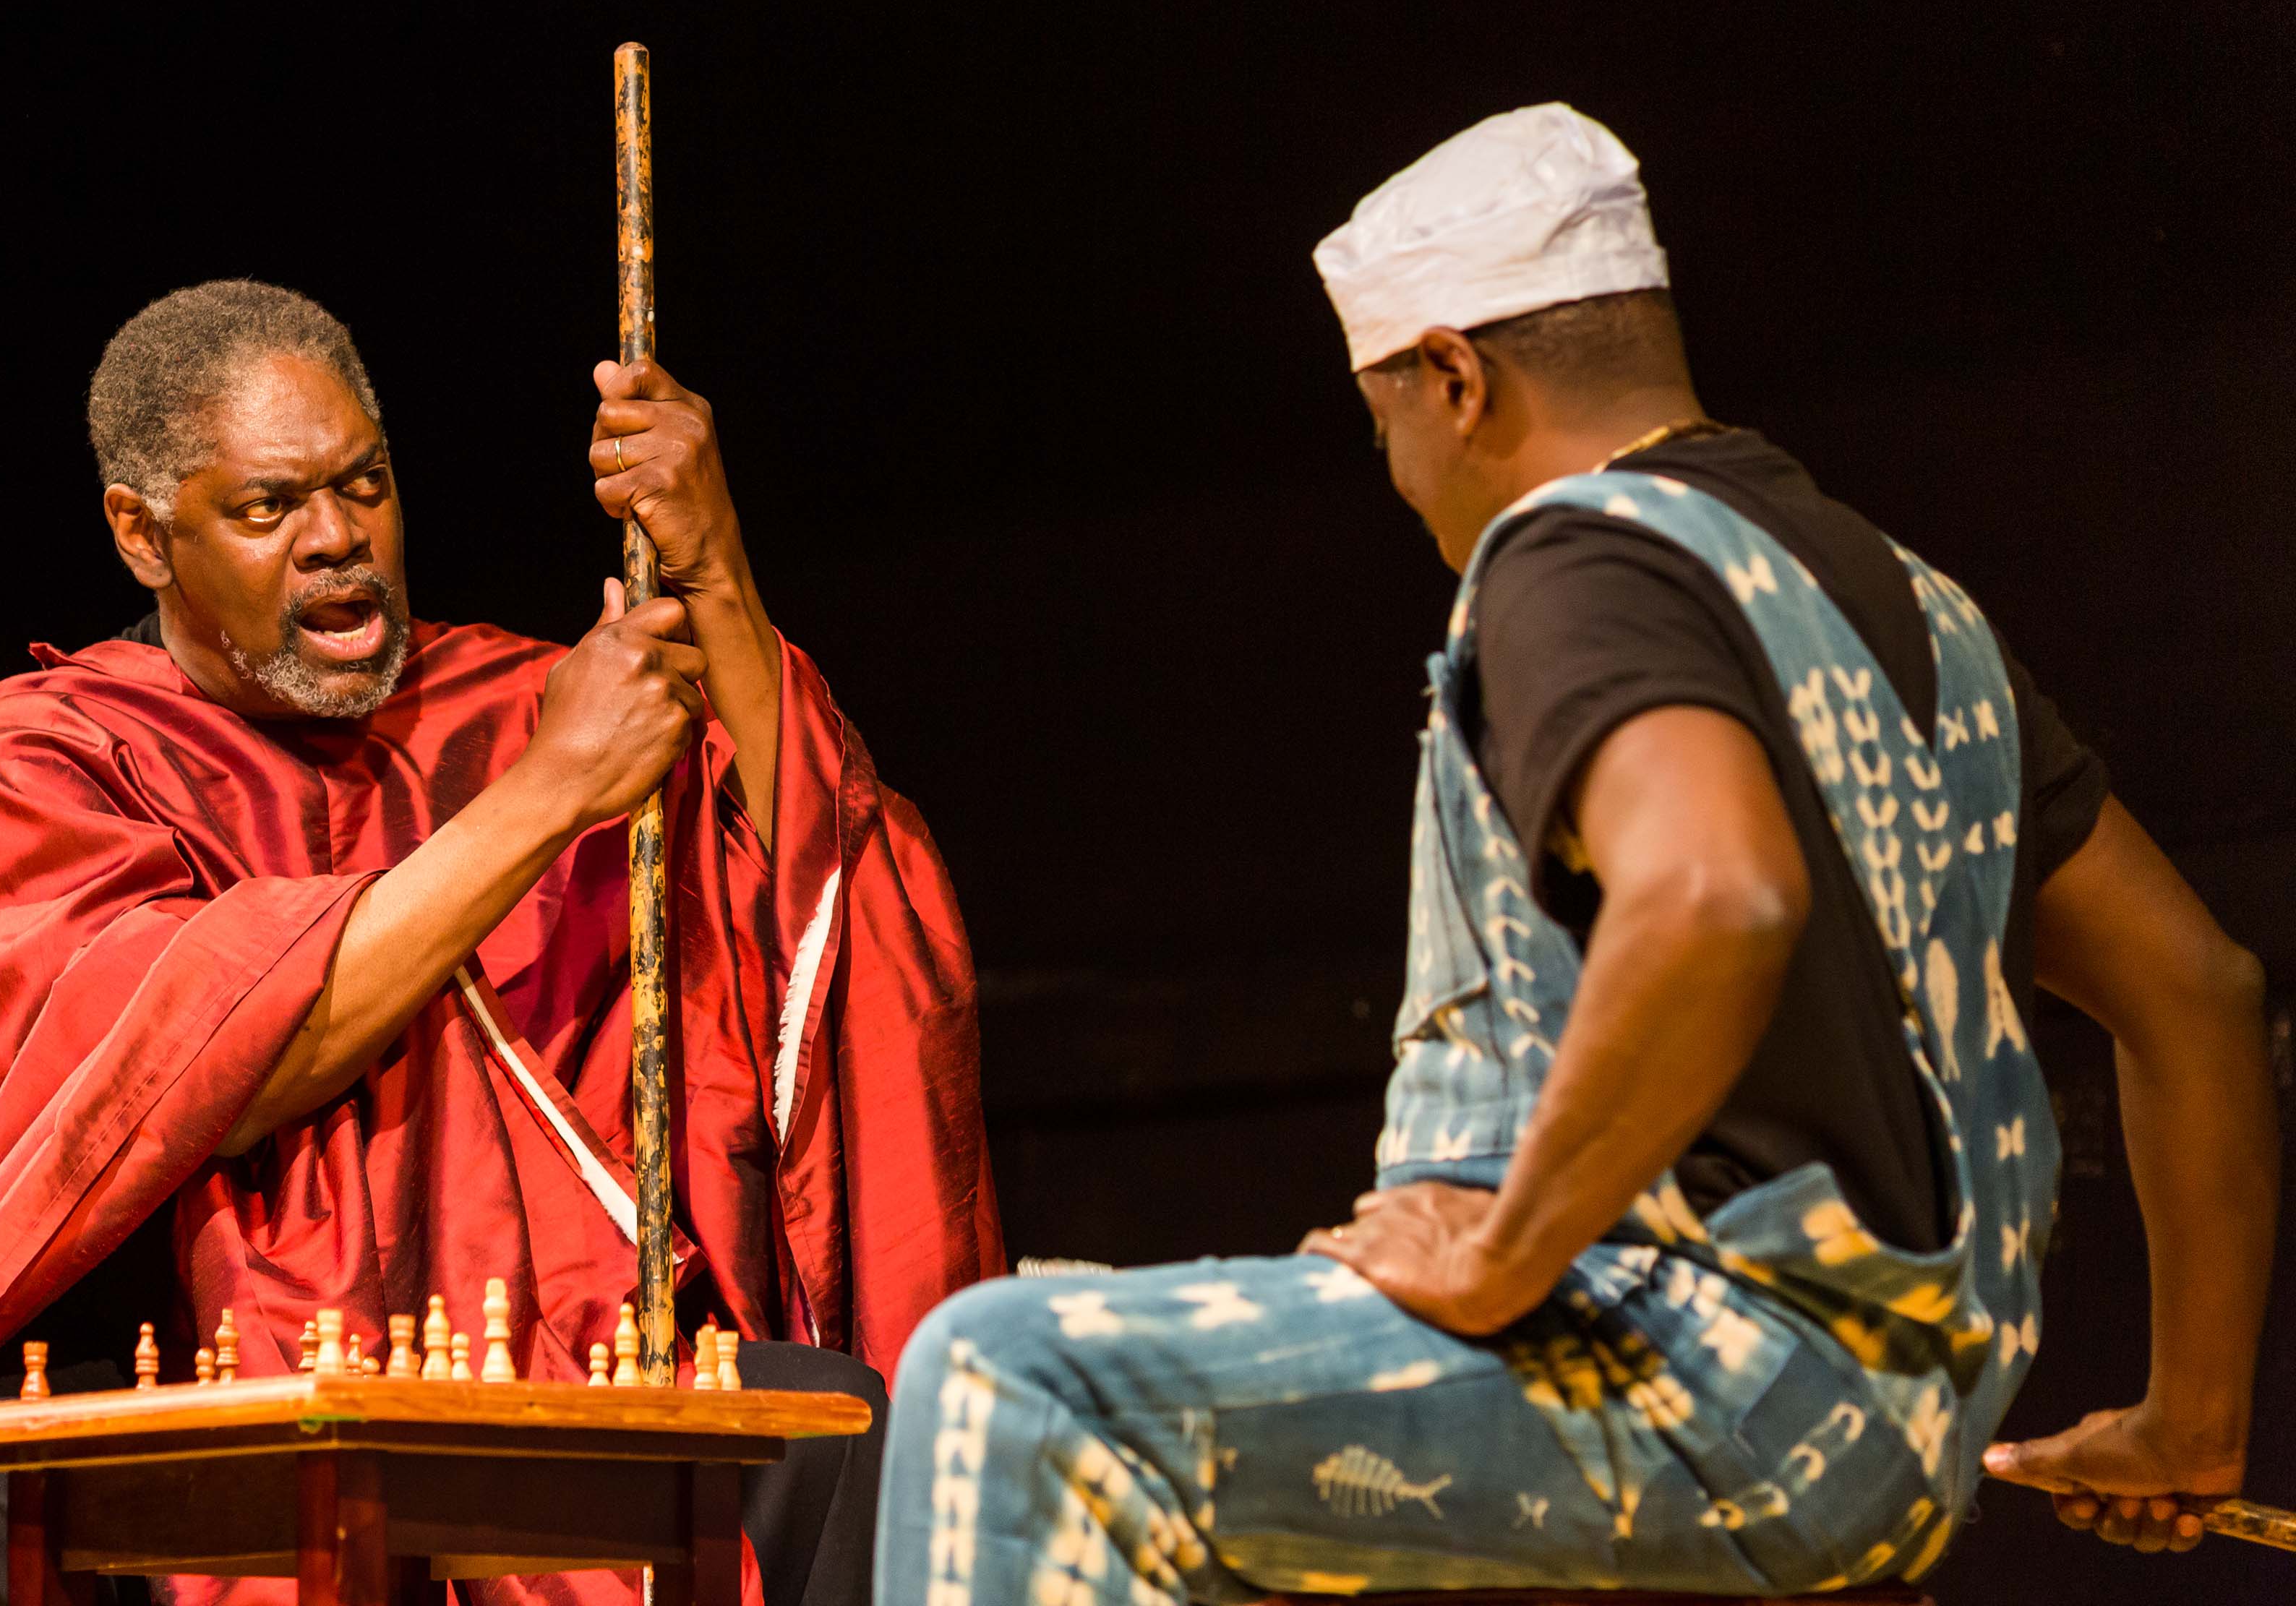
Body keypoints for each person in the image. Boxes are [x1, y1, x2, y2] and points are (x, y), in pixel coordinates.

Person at [873, 106, 2274, 1600]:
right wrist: (2192, 1425)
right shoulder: (1918, 613)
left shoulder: (1574, 551)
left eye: (1385, 425)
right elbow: (2200, 990)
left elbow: (1714, 891)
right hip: (1891, 1437)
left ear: (1455, 379)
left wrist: (1502, 1254)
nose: (1402, 482)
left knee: (1007, 1380)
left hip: (1700, 1382)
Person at [0, 281, 1002, 1606]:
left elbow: (827, 902)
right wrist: (550, 794)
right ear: (144, 535)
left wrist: (717, 569)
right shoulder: (44, 762)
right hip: (168, 1367)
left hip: (537, 1346)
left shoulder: (515, 702)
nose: (338, 540)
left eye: (366, 485)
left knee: (840, 1427)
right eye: (269, 508)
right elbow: (208, 1064)